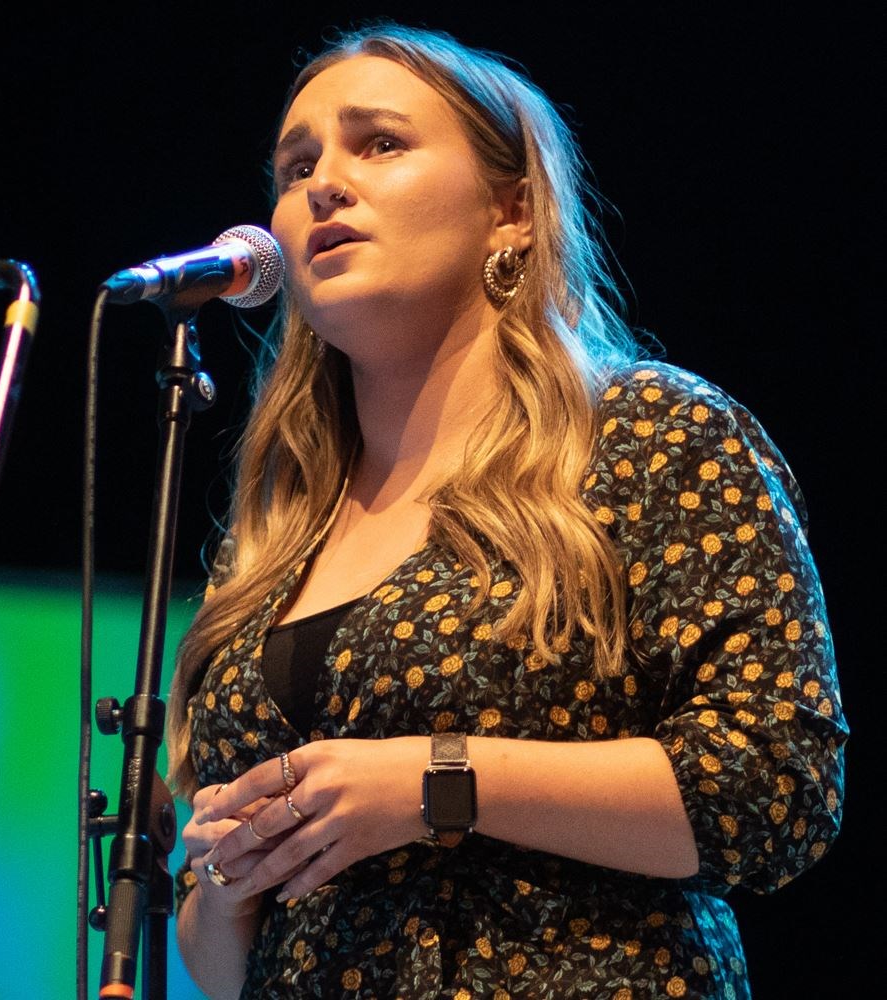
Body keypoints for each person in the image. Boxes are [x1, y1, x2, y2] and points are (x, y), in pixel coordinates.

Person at [166, 21, 846, 1000]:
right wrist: (226, 887)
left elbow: (781, 787)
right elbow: (238, 966)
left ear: (512, 210)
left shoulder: (649, 437)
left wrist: (439, 782)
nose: (322, 183)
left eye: (380, 143)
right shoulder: (280, 531)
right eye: (297, 162)